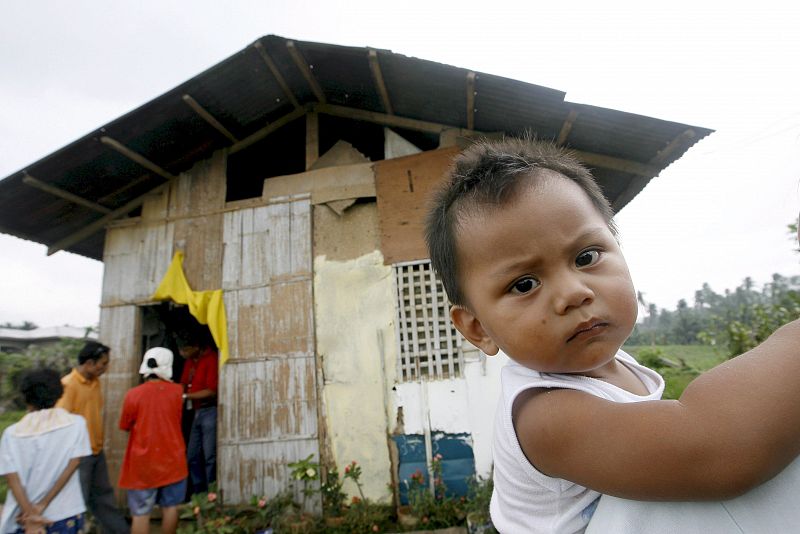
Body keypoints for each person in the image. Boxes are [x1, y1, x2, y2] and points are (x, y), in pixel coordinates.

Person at [424, 137, 800, 533]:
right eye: (524, 284)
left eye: (586, 257)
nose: (573, 293)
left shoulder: (620, 366)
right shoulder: (543, 415)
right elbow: (718, 447)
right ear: (478, 328)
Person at [0, 368, 91, 534]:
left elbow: (12, 480)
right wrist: (42, 505)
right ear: (59, 394)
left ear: (26, 397)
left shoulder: (12, 434)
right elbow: (73, 464)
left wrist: (30, 514)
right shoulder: (77, 424)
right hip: (65, 511)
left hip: (23, 518)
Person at [57, 341, 130, 534]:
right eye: (103, 364)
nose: (105, 368)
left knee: (104, 499)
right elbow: (61, 423)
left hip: (96, 451)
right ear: (89, 363)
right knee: (77, 501)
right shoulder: (68, 385)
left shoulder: (95, 382)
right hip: (78, 456)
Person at [118, 347, 188, 534]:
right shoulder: (177, 392)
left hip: (142, 461)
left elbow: (125, 425)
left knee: (140, 513)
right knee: (171, 507)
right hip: (173, 458)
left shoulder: (133, 394)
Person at [176, 328, 219, 495]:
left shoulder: (211, 359)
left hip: (209, 410)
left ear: (196, 347)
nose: (182, 352)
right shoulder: (190, 361)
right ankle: (199, 492)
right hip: (197, 411)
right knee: (192, 456)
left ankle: (211, 493)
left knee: (209, 456)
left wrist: (186, 396)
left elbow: (212, 391)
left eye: (185, 349)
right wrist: (177, 392)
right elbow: (183, 382)